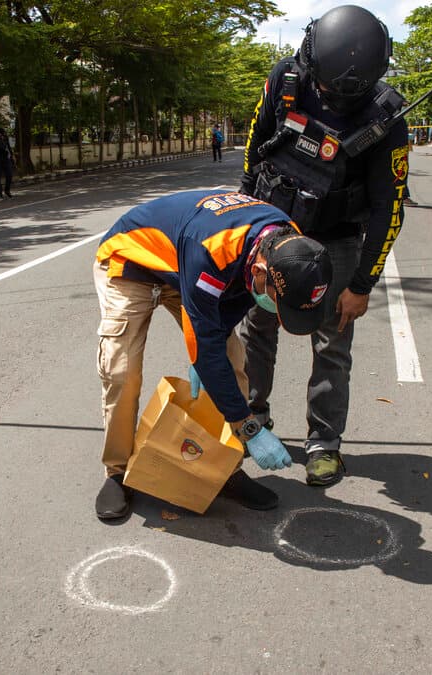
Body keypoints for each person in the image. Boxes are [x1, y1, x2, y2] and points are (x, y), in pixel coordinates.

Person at [238, 5, 410, 486]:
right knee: (258, 328)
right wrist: (245, 238)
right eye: (329, 91)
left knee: (332, 343)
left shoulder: (385, 117)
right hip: (272, 234)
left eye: (346, 97)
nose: (335, 102)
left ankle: (324, 443)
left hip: (336, 243)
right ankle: (251, 420)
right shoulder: (286, 80)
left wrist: (362, 284)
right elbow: (253, 159)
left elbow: (388, 208)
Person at [93, 189, 334, 520]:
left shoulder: (288, 246)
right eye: (280, 304)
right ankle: (117, 472)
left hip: (184, 267)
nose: (278, 314)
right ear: (262, 270)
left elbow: (240, 296)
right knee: (122, 370)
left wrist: (212, 346)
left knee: (230, 361)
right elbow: (207, 338)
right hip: (134, 260)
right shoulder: (212, 249)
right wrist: (250, 428)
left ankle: (226, 470)